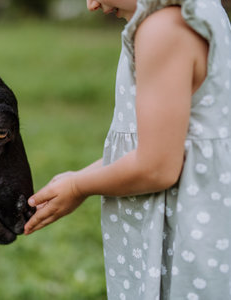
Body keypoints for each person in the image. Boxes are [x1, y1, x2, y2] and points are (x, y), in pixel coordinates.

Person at [24, 0, 231, 298]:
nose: (92, 4)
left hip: (187, 244)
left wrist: (79, 187)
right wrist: (77, 177)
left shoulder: (162, 29)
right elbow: (173, 144)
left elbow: (156, 167)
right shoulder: (200, 10)